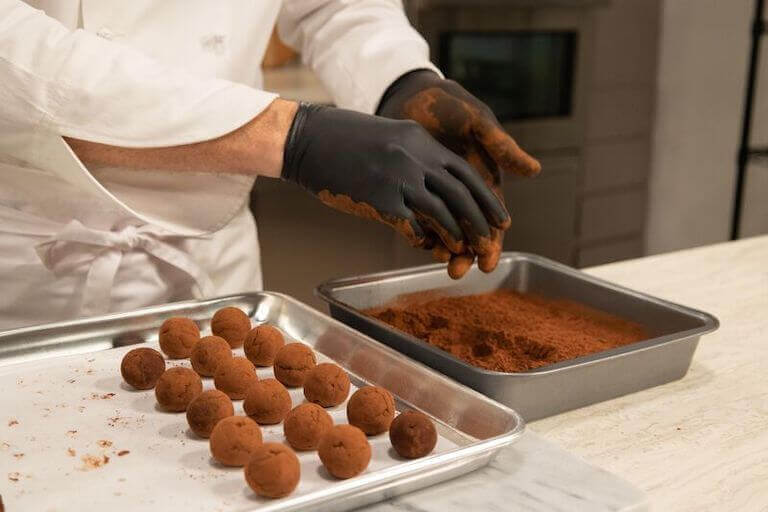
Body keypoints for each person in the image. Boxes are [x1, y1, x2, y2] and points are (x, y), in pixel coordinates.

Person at [0, 0, 540, 330]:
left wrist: (400, 80)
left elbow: (335, 4)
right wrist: (290, 137)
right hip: (30, 270)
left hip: (211, 259)